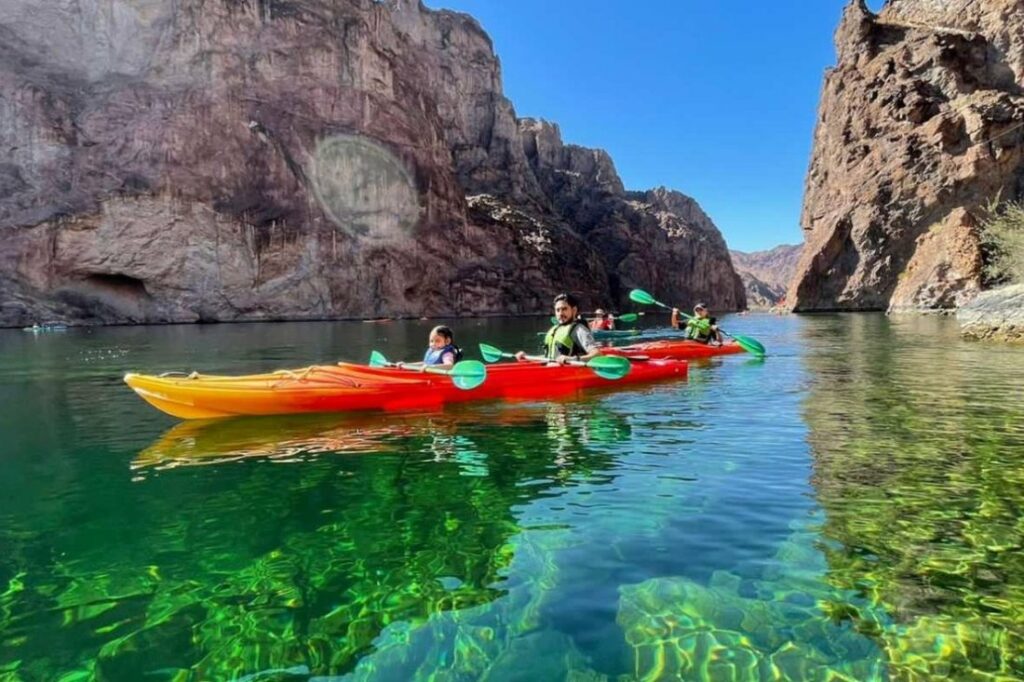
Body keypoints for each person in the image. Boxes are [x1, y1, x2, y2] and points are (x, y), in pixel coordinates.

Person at [517, 293, 600, 365]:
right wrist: (527, 357)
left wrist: (572, 359)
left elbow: (597, 354)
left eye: (564, 309)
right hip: (551, 368)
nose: (560, 313)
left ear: (574, 310)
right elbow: (549, 357)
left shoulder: (579, 330)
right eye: (558, 310)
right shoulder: (555, 329)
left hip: (570, 371)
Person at [397, 325, 463, 370]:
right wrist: (407, 365)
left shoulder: (447, 354)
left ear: (447, 341)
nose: (433, 344)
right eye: (431, 341)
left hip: (440, 380)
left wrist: (431, 367)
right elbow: (425, 364)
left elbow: (449, 366)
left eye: (437, 341)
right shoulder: (433, 351)